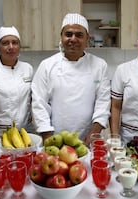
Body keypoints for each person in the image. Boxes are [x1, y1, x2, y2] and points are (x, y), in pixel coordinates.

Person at [31, 13, 110, 145]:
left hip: (88, 139)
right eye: (68, 34)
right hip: (54, 139)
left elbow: (103, 103)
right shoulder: (47, 66)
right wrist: (49, 139)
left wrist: (92, 135)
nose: (73, 39)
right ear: (61, 37)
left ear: (87, 39)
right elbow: (39, 104)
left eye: (79, 35)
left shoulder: (99, 65)